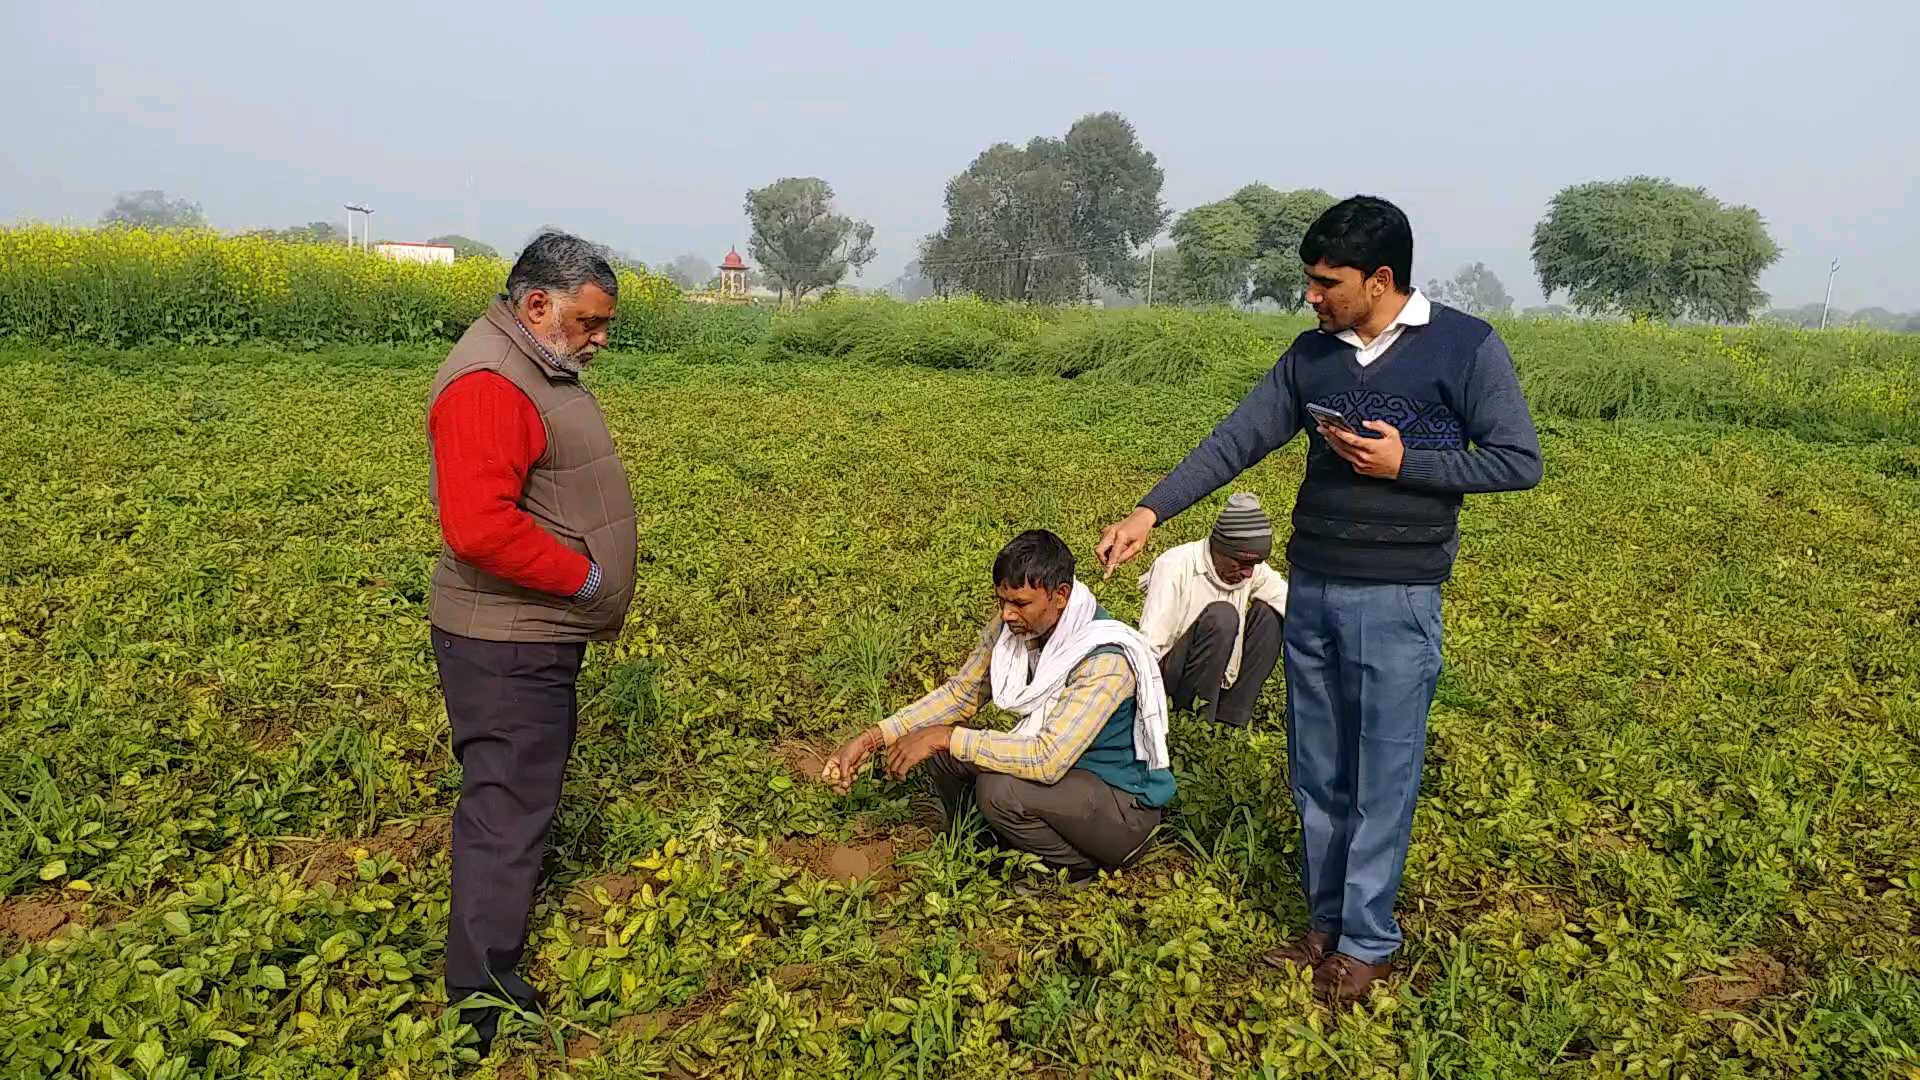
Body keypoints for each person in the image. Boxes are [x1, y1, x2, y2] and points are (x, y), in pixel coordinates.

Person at [1096, 196, 1542, 1004]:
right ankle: (1325, 923)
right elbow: (1238, 437)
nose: (1311, 296)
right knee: (1317, 769)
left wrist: (1410, 463)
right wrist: (1149, 510)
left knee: (1382, 772)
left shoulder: (1465, 347)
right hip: (1316, 589)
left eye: (1325, 282)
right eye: (1308, 280)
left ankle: (1367, 940)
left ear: (1379, 279)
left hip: (1398, 596)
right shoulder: (1313, 357)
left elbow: (1518, 460)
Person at [424, 231, 635, 1053]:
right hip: (508, 642)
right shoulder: (489, 382)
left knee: (512, 800)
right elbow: (479, 527)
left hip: (526, 634)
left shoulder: (531, 364)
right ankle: (480, 997)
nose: (600, 340)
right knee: (506, 809)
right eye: (589, 323)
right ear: (537, 304)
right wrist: (585, 581)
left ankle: (488, 965)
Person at [821, 530, 1174, 881]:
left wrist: (945, 737)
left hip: (1120, 809)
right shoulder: (1016, 629)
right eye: (1001, 601)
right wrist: (871, 739)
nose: (1006, 615)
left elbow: (1046, 759)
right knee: (945, 751)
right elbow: (961, 694)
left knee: (998, 789)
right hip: (1068, 787)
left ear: (1061, 595)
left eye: (1020, 603)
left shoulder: (1105, 660)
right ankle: (984, 845)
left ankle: (1071, 869)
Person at [1138, 492, 1289, 728]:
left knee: (1271, 616)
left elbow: (1290, 603)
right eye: (1241, 564)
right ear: (1219, 550)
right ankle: (1195, 723)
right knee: (1223, 616)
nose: (1248, 573)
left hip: (1218, 675)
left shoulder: (1249, 571)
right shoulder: (1175, 566)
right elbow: (1149, 646)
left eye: (1254, 565)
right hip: (1172, 680)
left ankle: (1229, 721)